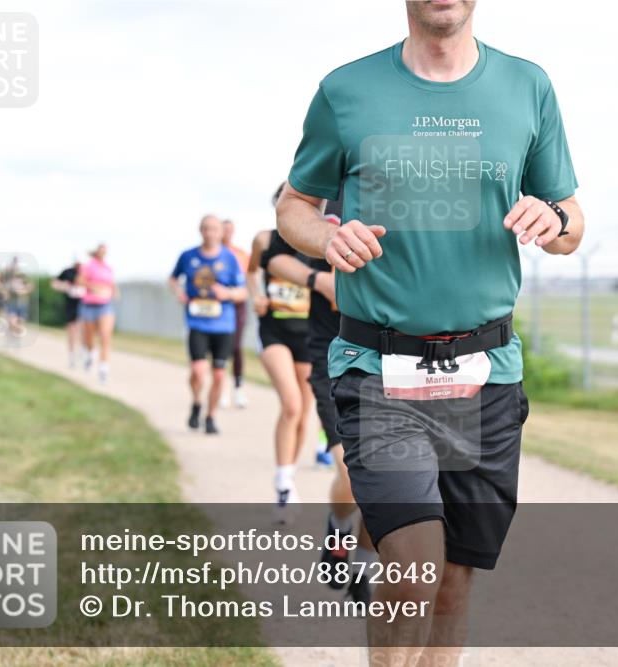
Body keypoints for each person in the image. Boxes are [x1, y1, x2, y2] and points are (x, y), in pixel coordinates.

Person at [276, 1, 583, 662]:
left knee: (451, 580)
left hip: (486, 371)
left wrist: (552, 220)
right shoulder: (346, 91)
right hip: (379, 368)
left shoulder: (527, 86)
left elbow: (572, 217)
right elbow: (293, 207)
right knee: (413, 562)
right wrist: (328, 236)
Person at [265, 195, 375, 603]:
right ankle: (338, 524)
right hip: (336, 356)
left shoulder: (412, 200)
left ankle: (364, 564)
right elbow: (275, 257)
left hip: (399, 360)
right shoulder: (323, 199)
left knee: (390, 479)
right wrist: (319, 280)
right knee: (351, 470)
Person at [249, 184, 315, 518]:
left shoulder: (320, 242)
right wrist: (256, 295)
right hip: (274, 330)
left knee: (303, 412)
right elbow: (252, 274)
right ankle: (283, 484)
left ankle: (289, 475)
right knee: (290, 404)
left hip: (309, 334)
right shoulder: (265, 240)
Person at [169, 215, 248, 435]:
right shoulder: (188, 256)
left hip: (223, 324)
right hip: (197, 322)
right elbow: (173, 279)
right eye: (206, 228)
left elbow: (243, 292)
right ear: (200, 230)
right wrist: (179, 292)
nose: (210, 233)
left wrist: (228, 293)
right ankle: (196, 402)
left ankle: (211, 416)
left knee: (220, 374)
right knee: (197, 371)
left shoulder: (230, 259)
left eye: (214, 229)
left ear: (220, 232)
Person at [221, 219, 251, 409]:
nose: (227, 233)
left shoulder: (241, 254)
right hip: (218, 305)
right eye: (225, 230)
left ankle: (238, 388)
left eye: (230, 230)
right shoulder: (215, 254)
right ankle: (221, 389)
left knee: (236, 346)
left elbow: (248, 280)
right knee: (220, 347)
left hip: (237, 304)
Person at [78, 244, 117, 383]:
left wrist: (114, 292)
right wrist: (94, 287)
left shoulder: (108, 268)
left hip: (105, 305)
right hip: (89, 305)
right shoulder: (88, 266)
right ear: (96, 252)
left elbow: (112, 284)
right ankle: (90, 353)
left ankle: (103, 368)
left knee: (105, 336)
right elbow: (80, 281)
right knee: (89, 337)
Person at [51, 259, 86, 368]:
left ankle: (82, 352)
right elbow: (54, 283)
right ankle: (72, 356)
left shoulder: (87, 271)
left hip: (85, 304)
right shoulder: (68, 272)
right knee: (72, 330)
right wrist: (63, 287)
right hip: (71, 305)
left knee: (82, 329)